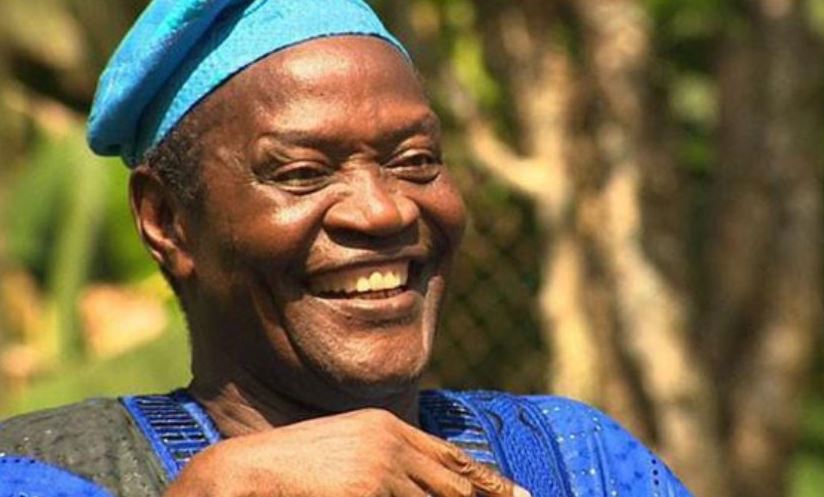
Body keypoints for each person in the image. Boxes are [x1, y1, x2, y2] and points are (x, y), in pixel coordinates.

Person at [0, 1, 693, 497]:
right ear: (167, 221)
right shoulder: (43, 471)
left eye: (416, 160)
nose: (384, 209)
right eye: (303, 173)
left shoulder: (577, 462)